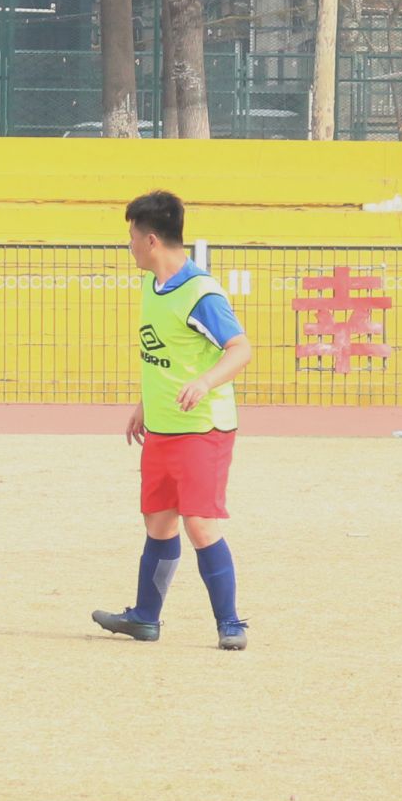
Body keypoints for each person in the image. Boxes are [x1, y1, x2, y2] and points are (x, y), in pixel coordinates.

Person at [92, 191, 254, 652]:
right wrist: (145, 404)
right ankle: (145, 618)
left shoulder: (201, 293)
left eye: (132, 237)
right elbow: (162, 355)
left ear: (152, 240)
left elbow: (241, 349)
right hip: (162, 428)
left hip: (203, 429)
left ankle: (231, 624)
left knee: (199, 524)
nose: (129, 246)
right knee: (159, 523)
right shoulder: (152, 286)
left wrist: (205, 382)